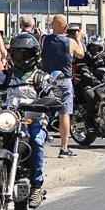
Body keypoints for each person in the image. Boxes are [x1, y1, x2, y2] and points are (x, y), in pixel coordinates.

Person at [0, 30, 53, 201]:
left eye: (25, 53)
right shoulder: (4, 76)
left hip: (32, 121)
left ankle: (37, 187)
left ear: (34, 55)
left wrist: (48, 102)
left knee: (37, 140)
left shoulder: (40, 77)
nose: (21, 57)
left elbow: (53, 95)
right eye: (17, 53)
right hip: (8, 121)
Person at [42, 14, 85, 158]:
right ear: (64, 27)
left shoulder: (44, 39)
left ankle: (39, 144)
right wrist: (79, 39)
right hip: (64, 80)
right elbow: (81, 54)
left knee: (42, 110)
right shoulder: (70, 42)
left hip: (47, 79)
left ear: (52, 25)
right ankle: (64, 148)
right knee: (64, 113)